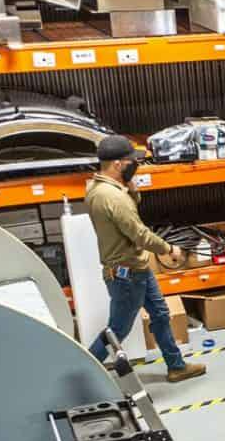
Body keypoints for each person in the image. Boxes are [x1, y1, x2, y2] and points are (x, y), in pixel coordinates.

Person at [86, 134, 205, 381]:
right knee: (117, 330)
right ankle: (84, 372)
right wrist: (169, 249)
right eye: (132, 162)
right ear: (118, 164)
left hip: (135, 269)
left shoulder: (100, 188)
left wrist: (132, 189)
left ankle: (176, 366)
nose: (136, 165)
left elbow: (129, 220)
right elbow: (140, 234)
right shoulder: (113, 198)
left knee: (160, 315)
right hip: (127, 275)